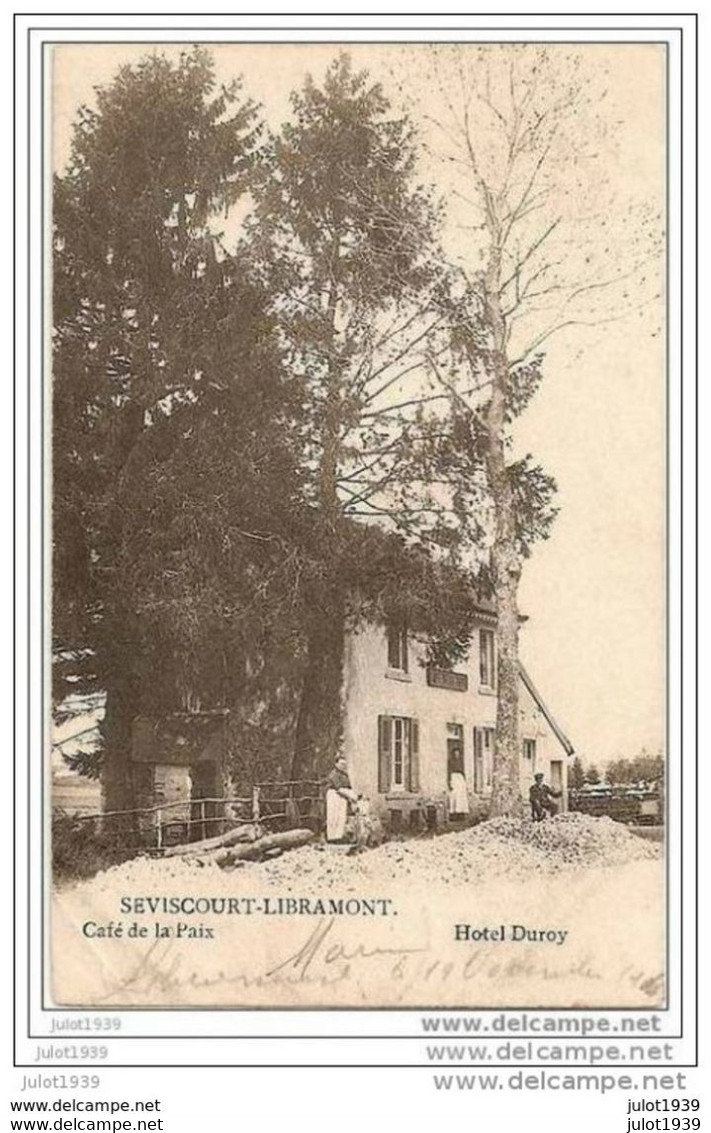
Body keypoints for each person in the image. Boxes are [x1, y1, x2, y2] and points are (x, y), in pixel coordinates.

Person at [325, 756, 358, 842]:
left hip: (343, 797)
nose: (343, 766)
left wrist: (352, 796)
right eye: (341, 764)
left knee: (341, 817)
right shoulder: (333, 774)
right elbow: (338, 787)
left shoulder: (345, 775)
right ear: (336, 764)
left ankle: (339, 836)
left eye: (344, 764)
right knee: (333, 817)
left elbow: (348, 787)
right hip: (334, 796)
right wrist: (350, 795)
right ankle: (332, 837)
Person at [448, 745, 469, 821]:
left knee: (461, 796)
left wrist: (465, 780)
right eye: (455, 753)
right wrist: (449, 781)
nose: (457, 755)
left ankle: (461, 814)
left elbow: (463, 771)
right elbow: (449, 771)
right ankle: (454, 814)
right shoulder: (450, 761)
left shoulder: (461, 762)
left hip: (460, 778)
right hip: (454, 777)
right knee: (454, 796)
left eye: (458, 753)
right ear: (453, 754)